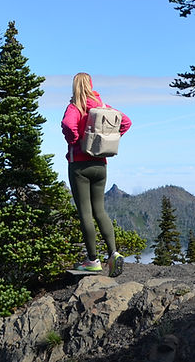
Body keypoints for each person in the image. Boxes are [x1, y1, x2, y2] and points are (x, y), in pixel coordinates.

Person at [62, 72, 131, 277]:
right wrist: (109, 137)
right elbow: (125, 122)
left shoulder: (75, 107)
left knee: (85, 213)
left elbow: (68, 125)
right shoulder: (102, 107)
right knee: (100, 211)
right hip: (101, 164)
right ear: (91, 85)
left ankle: (92, 260)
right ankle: (113, 253)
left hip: (79, 166)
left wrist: (76, 140)